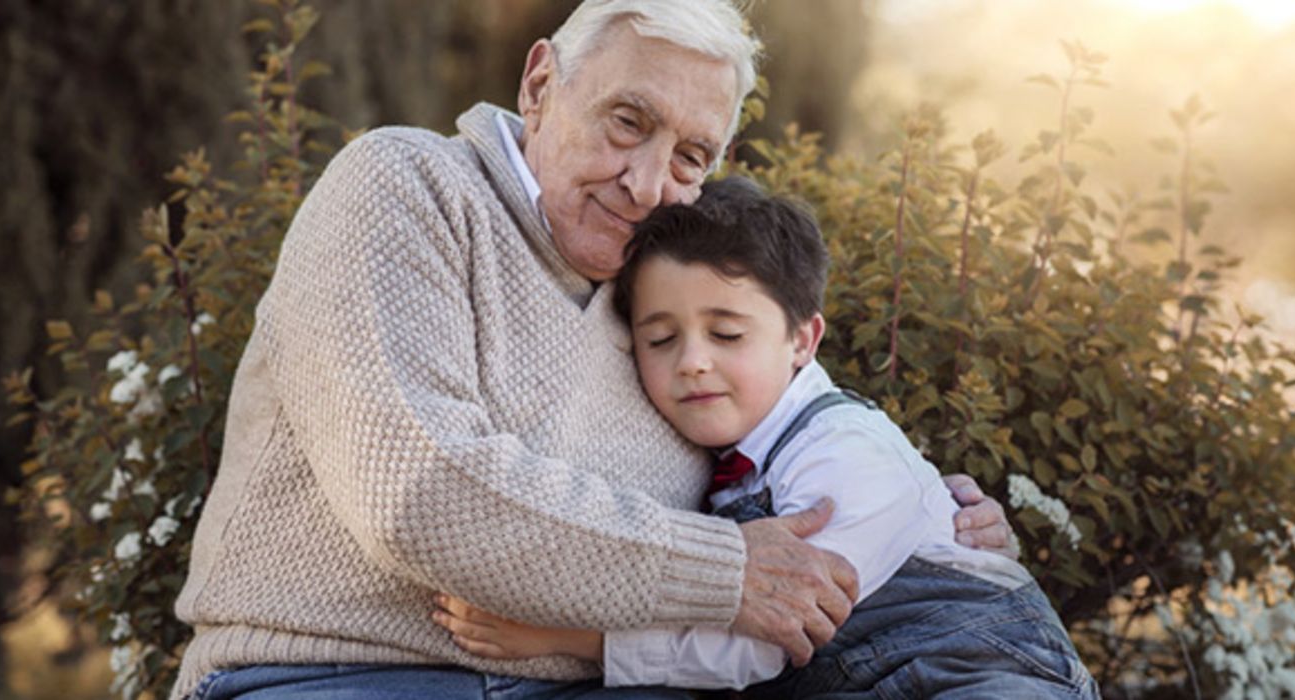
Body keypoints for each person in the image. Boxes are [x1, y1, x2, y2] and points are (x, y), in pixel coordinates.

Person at [170, 1, 1016, 698]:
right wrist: (724, 572)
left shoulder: (664, 285)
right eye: (627, 121)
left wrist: (936, 521)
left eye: (690, 156)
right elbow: (421, 494)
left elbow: (804, 421)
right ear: (540, 83)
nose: (648, 184)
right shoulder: (408, 186)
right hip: (340, 673)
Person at [432, 178, 1099, 698]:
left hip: (977, 676)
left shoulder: (843, 451)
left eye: (726, 335)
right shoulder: (723, 453)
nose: (691, 361)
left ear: (802, 340)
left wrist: (565, 638)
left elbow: (768, 639)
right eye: (659, 339)